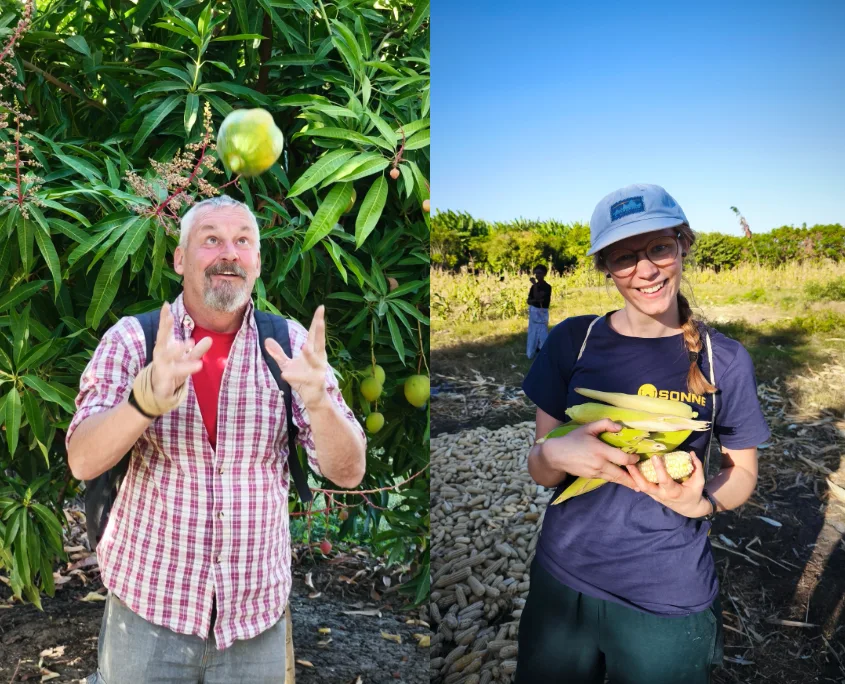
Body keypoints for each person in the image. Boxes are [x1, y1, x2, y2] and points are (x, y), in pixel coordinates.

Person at [66, 195, 367, 683]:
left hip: (254, 619)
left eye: (243, 241)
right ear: (180, 258)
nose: (229, 253)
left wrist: (318, 401)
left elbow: (349, 471)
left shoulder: (291, 348)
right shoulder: (133, 341)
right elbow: (82, 458)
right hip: (149, 610)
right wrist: (142, 402)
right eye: (211, 240)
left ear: (258, 262)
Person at [515, 184, 770, 684]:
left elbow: (741, 472)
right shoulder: (574, 340)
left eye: (659, 248)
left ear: (683, 245)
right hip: (563, 579)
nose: (646, 270)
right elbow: (540, 467)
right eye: (625, 257)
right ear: (606, 267)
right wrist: (558, 454)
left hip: (668, 596)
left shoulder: (726, 360)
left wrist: (699, 504)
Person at [526, 264, 552, 359]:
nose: (537, 275)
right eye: (536, 273)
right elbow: (529, 301)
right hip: (534, 312)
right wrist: (536, 301)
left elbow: (537, 297)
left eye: (540, 273)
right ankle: (533, 350)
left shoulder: (547, 287)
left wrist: (534, 285)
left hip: (541, 312)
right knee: (533, 332)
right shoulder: (534, 288)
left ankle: (544, 351)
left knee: (542, 332)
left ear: (544, 274)